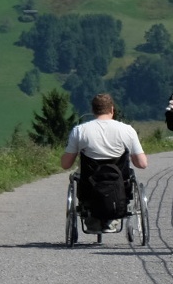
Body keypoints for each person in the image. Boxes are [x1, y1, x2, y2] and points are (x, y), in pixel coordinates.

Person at [61, 93, 148, 233]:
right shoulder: (127, 130)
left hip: (90, 182)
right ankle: (112, 218)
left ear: (93, 110)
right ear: (112, 110)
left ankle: (92, 219)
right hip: (119, 182)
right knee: (128, 174)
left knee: (77, 176)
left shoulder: (80, 131)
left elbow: (66, 164)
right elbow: (142, 164)